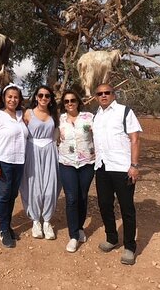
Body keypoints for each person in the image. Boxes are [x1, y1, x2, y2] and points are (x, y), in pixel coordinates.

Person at [92, 83, 142, 265]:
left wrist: (134, 165)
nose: (104, 95)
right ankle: (112, 238)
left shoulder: (125, 112)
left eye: (107, 92)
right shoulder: (96, 116)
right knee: (105, 205)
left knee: (127, 208)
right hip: (102, 167)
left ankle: (129, 247)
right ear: (96, 96)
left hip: (122, 168)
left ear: (114, 94)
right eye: (100, 93)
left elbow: (135, 139)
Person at [0, 84, 28, 248]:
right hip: (3, 163)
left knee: (12, 196)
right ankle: (3, 229)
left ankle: (7, 225)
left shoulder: (21, 115)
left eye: (16, 97)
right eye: (9, 96)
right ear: (4, 98)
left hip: (19, 162)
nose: (13, 99)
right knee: (3, 196)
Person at [58, 89, 95, 253]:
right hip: (67, 163)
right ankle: (73, 236)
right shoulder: (60, 120)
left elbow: (100, 136)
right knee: (71, 198)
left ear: (78, 102)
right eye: (66, 101)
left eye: (72, 100)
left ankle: (80, 227)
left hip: (87, 163)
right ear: (63, 104)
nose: (70, 103)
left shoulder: (89, 118)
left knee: (82, 196)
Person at [20, 84, 59, 240]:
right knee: (34, 188)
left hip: (50, 151)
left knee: (50, 189)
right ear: (36, 97)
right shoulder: (28, 113)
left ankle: (47, 221)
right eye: (41, 95)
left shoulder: (54, 114)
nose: (44, 98)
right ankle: (36, 221)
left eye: (47, 96)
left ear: (50, 99)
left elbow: (58, 133)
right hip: (32, 150)